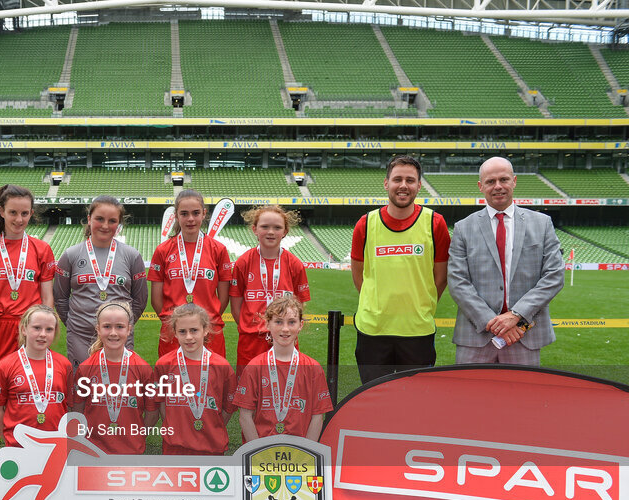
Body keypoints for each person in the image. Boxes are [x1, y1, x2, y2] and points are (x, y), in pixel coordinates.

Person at [0, 184, 55, 491]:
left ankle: (28, 457)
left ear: (31, 214)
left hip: (30, 332)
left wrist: (47, 333)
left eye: (25, 213)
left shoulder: (41, 250)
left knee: (32, 397)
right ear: (1, 212)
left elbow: (47, 300)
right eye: (13, 213)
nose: (19, 219)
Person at [448, 156, 564, 364]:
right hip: (475, 337)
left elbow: (554, 276)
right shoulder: (463, 228)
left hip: (523, 336)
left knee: (523, 396)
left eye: (504, 179)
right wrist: (493, 323)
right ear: (480, 186)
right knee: (469, 396)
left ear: (514, 181)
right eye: (490, 182)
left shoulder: (542, 223)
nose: (498, 186)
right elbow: (458, 282)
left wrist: (516, 315)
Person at [351, 155, 451, 384]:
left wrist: (420, 304)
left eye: (410, 180)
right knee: (374, 401)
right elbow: (359, 275)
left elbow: (441, 277)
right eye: (397, 179)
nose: (403, 185)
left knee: (415, 405)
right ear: (386, 183)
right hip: (373, 331)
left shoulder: (435, 223)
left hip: (417, 331)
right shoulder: (365, 224)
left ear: (419, 185)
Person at [54, 196, 148, 368]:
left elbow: (140, 300)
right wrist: (76, 325)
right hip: (80, 337)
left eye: (112, 221)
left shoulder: (132, 255)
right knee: (83, 388)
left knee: (118, 387)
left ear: (119, 224)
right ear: (89, 219)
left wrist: (122, 325)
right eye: (99, 219)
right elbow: (60, 298)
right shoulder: (71, 255)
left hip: (118, 337)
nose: (105, 225)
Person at [234, 294, 333, 443]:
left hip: (299, 455)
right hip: (261, 455)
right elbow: (245, 416)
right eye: (279, 322)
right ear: (267, 324)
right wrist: (258, 452)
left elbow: (317, 416)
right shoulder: (254, 367)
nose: (285, 329)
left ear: (300, 325)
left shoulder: (313, 369)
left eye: (291, 322)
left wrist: (305, 452)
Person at [149, 189, 233, 359]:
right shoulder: (163, 250)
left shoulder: (219, 250)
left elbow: (223, 298)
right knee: (173, 383)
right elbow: (156, 299)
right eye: (184, 214)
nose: (190, 219)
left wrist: (206, 321)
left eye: (195, 213)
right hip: (174, 331)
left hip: (210, 330)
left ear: (204, 213)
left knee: (211, 382)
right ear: (177, 216)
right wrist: (173, 323)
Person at [230, 205, 311, 373]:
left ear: (285, 231)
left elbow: (299, 304)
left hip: (284, 338)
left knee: (283, 385)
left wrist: (285, 327)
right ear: (255, 229)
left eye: (277, 227)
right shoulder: (243, 263)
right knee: (248, 386)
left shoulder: (294, 264)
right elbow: (236, 305)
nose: (271, 232)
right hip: (251, 340)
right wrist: (249, 327)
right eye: (265, 227)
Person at [72, 301, 158, 454]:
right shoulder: (86, 368)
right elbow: (77, 411)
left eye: (120, 327)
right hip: (93, 451)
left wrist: (137, 437)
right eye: (107, 327)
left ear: (129, 330)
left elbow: (152, 413)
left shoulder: (142, 369)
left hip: (131, 451)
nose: (113, 333)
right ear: (98, 329)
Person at [155, 303, 237, 455]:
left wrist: (213, 426)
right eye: (182, 331)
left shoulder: (222, 366)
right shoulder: (164, 365)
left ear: (205, 330)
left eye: (194, 330)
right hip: (174, 448)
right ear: (175, 332)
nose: (188, 337)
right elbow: (162, 404)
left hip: (211, 447)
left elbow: (228, 408)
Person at [0, 305, 72, 448]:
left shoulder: (64, 364)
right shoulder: (6, 365)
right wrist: (8, 438)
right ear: (24, 329)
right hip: (18, 446)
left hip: (56, 444)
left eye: (49, 329)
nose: (43, 334)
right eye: (37, 328)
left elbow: (71, 405)